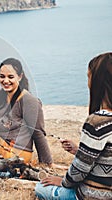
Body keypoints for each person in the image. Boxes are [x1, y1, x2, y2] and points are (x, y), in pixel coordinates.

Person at [35, 52, 112, 200]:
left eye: (89, 77)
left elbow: (79, 171)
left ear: (98, 82)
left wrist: (63, 182)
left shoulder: (96, 122)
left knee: (40, 188)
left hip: (91, 196)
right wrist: (79, 150)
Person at [0, 58, 53, 165]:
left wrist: (47, 163)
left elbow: (38, 133)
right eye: (2, 76)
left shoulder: (28, 100)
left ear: (19, 77)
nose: (6, 81)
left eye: (10, 77)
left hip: (17, 152)